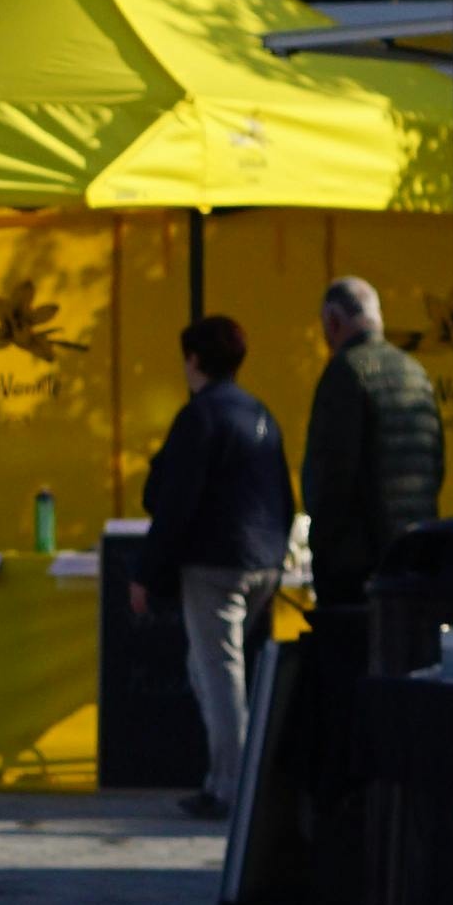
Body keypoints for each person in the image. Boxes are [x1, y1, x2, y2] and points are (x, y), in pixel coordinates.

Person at [133, 310, 297, 825]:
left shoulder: (201, 416)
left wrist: (146, 574)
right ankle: (224, 781)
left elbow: (174, 502)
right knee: (213, 668)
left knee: (219, 674)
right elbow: (282, 494)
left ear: (194, 360)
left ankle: (231, 789)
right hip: (263, 562)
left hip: (215, 564)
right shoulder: (259, 413)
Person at [302, 273, 444, 601]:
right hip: (415, 549)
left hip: (357, 560)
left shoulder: (345, 372)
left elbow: (334, 474)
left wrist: (323, 543)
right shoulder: (415, 370)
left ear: (333, 321)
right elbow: (436, 462)